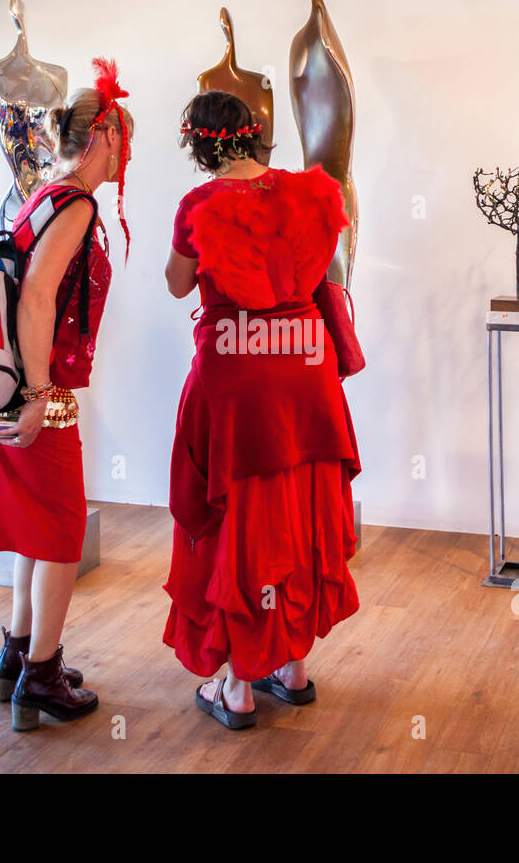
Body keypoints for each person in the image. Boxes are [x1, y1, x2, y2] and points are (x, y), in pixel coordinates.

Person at [163, 90, 361, 730]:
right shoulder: (309, 193)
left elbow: (177, 282)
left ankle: (240, 686)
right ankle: (291, 666)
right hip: (305, 369)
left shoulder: (200, 204)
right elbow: (320, 270)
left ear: (198, 142)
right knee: (296, 506)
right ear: (256, 136)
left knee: (240, 512)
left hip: (238, 374)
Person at [0, 59, 132, 733]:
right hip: (38, 391)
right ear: (100, 136)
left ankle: (19, 650)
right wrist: (40, 396)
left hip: (7, 386)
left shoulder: (42, 195)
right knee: (64, 532)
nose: (129, 154)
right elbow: (37, 297)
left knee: (38, 528)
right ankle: (39, 676)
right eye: (125, 138)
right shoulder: (76, 203)